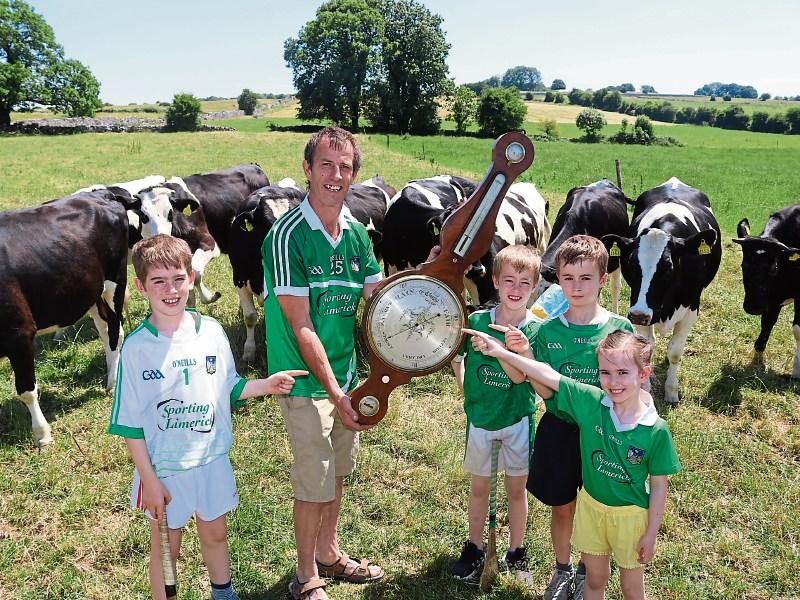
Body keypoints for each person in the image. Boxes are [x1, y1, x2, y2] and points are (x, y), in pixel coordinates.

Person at [108, 234, 307, 600]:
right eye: (159, 282)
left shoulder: (211, 332)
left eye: (179, 278)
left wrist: (266, 385)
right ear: (140, 287)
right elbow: (129, 424)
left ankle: (223, 593)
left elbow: (228, 386)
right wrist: (148, 480)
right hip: (164, 470)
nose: (171, 289)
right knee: (168, 548)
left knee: (215, 533)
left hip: (212, 460)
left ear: (192, 278)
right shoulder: (136, 349)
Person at [461, 328, 681, 600]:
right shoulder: (590, 402)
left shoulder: (656, 430)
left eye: (623, 373)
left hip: (631, 519)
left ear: (643, 374)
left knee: (631, 588)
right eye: (605, 373)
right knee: (595, 579)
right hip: (592, 511)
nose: (613, 382)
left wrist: (651, 533)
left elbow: (660, 485)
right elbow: (547, 375)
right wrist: (501, 353)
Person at [261, 126, 385, 600]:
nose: (337, 175)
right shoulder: (286, 236)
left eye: (346, 166)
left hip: (347, 376)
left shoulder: (356, 234)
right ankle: (305, 575)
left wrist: (426, 279)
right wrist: (334, 390)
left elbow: (379, 300)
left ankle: (329, 553)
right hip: (305, 381)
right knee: (314, 476)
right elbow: (301, 324)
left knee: (337, 471)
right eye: (327, 165)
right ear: (308, 170)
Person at [528, 235, 633, 600]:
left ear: (603, 280)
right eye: (568, 278)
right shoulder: (547, 332)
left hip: (603, 433)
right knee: (563, 506)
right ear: (558, 279)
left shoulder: (620, 331)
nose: (576, 286)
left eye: (586, 278)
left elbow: (632, 384)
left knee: (597, 508)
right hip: (559, 430)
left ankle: (590, 573)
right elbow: (543, 389)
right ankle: (562, 570)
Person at [450, 245, 541, 585]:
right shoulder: (477, 321)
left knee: (517, 491)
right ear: (496, 282)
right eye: (509, 281)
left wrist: (499, 350)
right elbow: (455, 355)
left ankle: (517, 552)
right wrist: (465, 388)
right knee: (480, 489)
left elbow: (520, 376)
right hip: (481, 420)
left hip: (517, 420)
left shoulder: (534, 330)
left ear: (534, 286)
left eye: (524, 282)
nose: (516, 289)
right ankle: (475, 547)